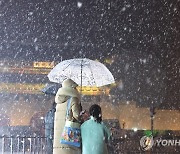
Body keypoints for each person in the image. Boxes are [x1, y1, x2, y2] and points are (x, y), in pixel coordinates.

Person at [53, 79, 82, 154]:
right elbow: (77, 116)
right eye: (75, 88)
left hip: (59, 140)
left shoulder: (58, 102)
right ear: (71, 88)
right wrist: (82, 114)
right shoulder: (73, 99)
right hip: (69, 137)